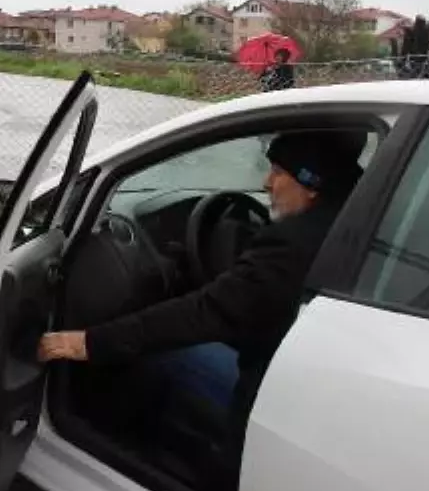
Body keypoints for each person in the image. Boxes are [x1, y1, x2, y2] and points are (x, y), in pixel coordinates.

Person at [37, 130, 365, 426]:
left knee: (157, 355)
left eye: (278, 172)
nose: (266, 183)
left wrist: (88, 342)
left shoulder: (293, 242)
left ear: (311, 184)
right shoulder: (351, 225)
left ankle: (111, 444)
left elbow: (209, 312)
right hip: (309, 378)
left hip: (271, 390)